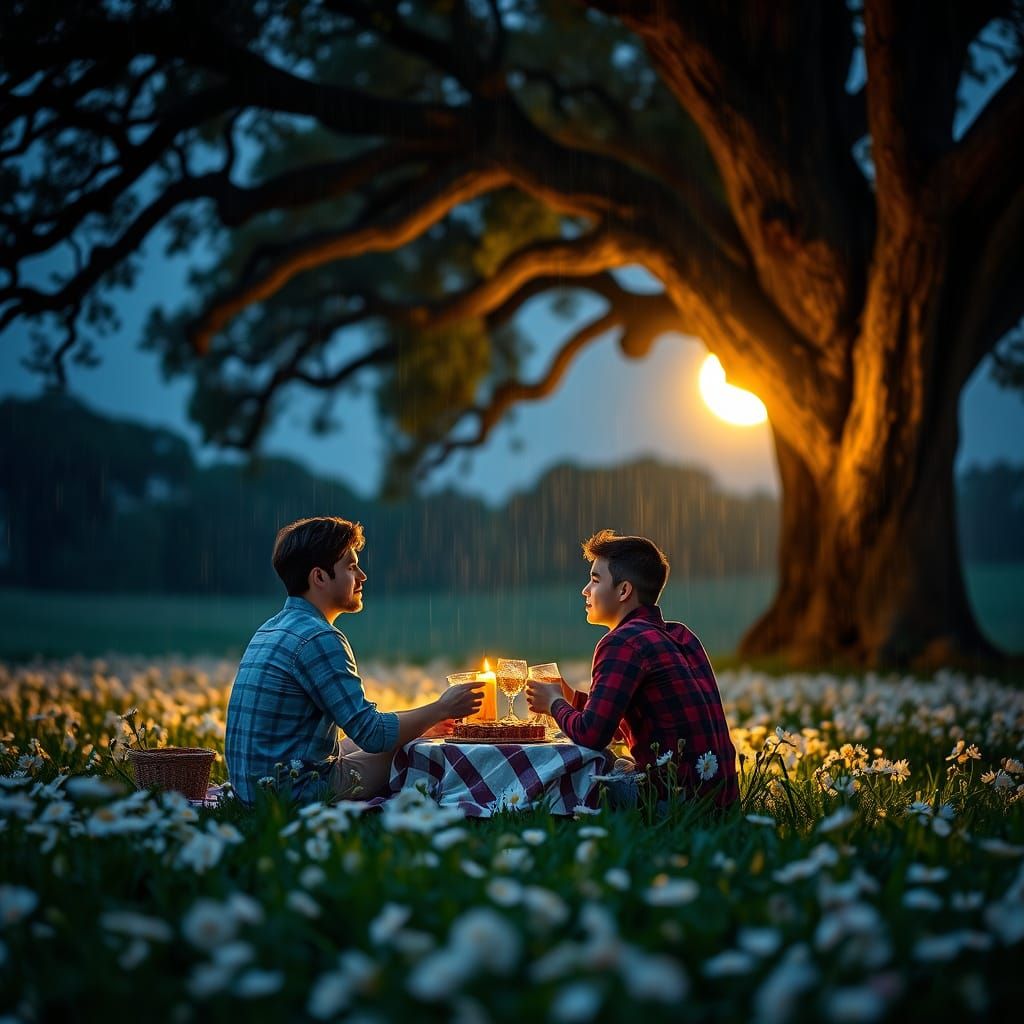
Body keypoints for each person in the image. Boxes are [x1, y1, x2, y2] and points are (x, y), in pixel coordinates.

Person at [225, 516, 482, 805]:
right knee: (412, 751)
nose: (362, 576)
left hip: (253, 788)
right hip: (294, 794)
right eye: (350, 567)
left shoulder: (272, 628)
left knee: (400, 739)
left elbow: (356, 731)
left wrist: (425, 722)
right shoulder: (318, 638)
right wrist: (442, 708)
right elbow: (372, 735)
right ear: (319, 577)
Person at [526, 529, 738, 808]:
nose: (585, 590)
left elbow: (593, 735)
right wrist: (569, 697)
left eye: (595, 580)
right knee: (619, 763)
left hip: (672, 804)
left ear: (624, 590)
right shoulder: (680, 635)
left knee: (581, 769)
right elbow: (613, 721)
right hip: (719, 802)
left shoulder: (621, 643)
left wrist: (553, 704)